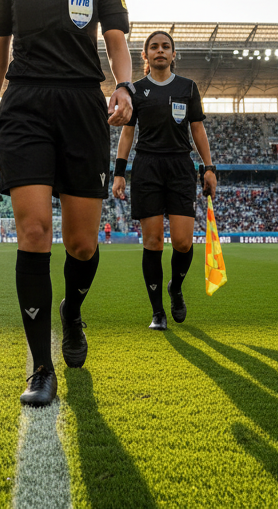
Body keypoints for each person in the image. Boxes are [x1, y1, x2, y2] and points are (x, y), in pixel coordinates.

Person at [0, 0, 133, 406]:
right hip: (25, 106)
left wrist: (125, 86)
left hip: (83, 104)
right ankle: (41, 368)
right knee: (35, 230)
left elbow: (116, 40)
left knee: (83, 244)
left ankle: (72, 311)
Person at [112, 30, 216, 331]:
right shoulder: (135, 90)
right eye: (154, 47)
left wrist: (209, 168)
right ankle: (157, 312)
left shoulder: (188, 87)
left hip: (180, 166)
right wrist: (119, 172)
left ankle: (176, 287)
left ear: (173, 54)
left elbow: (197, 129)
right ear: (145, 55)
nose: (160, 51)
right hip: (147, 167)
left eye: (165, 47)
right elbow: (127, 133)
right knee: (153, 242)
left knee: (183, 243)